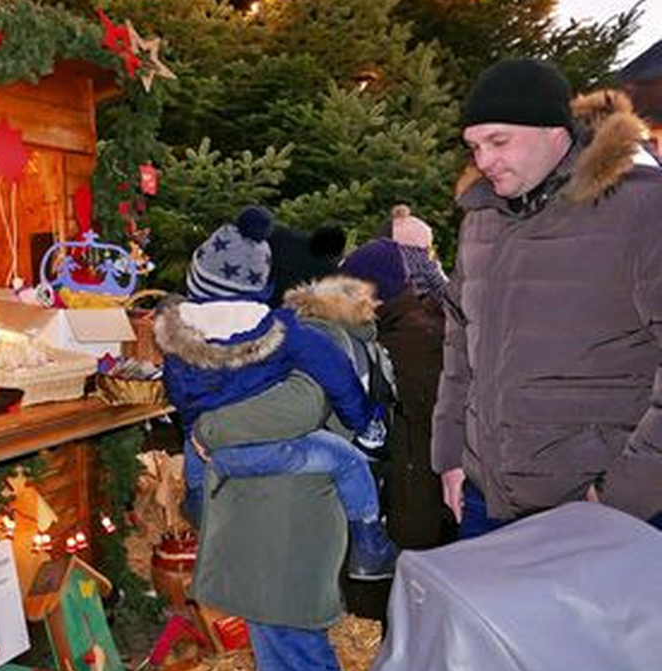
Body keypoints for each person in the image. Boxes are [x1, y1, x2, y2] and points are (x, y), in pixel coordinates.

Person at [436, 58, 662, 537]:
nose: (483, 161)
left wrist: (624, 494)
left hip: (595, 508)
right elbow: (458, 343)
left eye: (499, 141)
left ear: (554, 132)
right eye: (474, 146)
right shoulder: (481, 218)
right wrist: (451, 454)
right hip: (482, 500)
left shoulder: (642, 208)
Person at [154, 206, 399, 581]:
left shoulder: (174, 336)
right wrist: (363, 419)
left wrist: (199, 431)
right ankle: (369, 547)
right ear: (262, 286)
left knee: (192, 443)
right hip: (271, 450)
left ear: (196, 279)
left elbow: (178, 394)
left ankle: (201, 511)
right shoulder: (285, 331)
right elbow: (336, 372)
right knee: (349, 460)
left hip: (212, 455)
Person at [341, 239, 453, 549]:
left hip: (420, 484)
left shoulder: (408, 340)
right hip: (425, 475)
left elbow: (421, 419)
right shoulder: (418, 320)